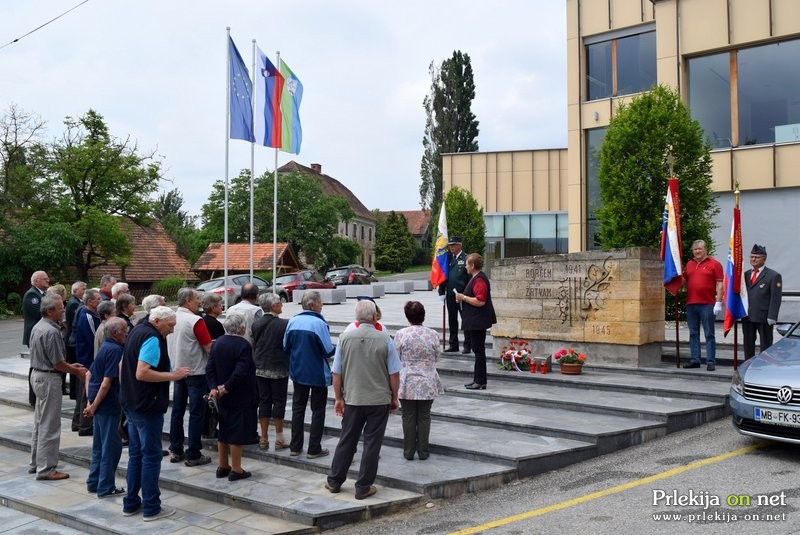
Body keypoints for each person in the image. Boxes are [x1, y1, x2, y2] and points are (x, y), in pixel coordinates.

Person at [120, 306, 190, 521]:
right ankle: (151, 507)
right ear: (157, 321)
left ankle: (131, 503)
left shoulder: (137, 330)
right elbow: (142, 372)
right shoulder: (151, 337)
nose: (172, 330)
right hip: (147, 407)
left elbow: (123, 364)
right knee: (151, 456)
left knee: (136, 455)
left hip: (132, 403)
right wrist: (173, 375)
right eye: (170, 325)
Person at [325, 299, 401, 500]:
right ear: (375, 316)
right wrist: (395, 397)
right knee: (372, 443)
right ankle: (363, 486)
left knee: (347, 439)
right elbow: (394, 374)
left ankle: (334, 481)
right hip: (378, 399)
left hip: (353, 398)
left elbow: (336, 373)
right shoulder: (385, 339)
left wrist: (338, 397)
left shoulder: (344, 338)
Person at [28, 293, 87, 480]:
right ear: (49, 311)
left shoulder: (40, 326)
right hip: (48, 378)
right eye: (60, 307)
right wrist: (75, 370)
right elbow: (58, 364)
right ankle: (46, 469)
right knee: (49, 425)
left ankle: (37, 463)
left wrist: (70, 366)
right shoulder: (50, 331)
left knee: (40, 422)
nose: (64, 309)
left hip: (39, 375)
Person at [206, 314, 258, 481]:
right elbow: (241, 371)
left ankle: (222, 466)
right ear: (242, 328)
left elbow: (210, 367)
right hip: (239, 394)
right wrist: (226, 388)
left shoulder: (218, 342)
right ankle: (236, 469)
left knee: (224, 429)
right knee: (237, 431)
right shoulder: (243, 345)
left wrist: (215, 388)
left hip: (222, 395)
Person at [283, 290, 335, 458]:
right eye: (320, 302)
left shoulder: (293, 321)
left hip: (298, 372)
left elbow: (285, 346)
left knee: (298, 408)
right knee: (318, 410)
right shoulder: (319, 324)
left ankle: (295, 447)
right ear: (313, 305)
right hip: (317, 374)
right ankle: (314, 449)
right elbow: (328, 351)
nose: (322, 305)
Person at [167, 288, 213, 467]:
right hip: (195, 370)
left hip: (177, 369)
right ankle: (193, 452)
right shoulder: (195, 320)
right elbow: (208, 347)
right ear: (187, 301)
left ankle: (176, 449)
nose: (199, 302)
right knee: (196, 412)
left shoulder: (171, 317)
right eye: (196, 299)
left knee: (177, 410)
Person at [394, 301, 444, 460]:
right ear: (423, 315)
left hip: (407, 379)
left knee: (408, 415)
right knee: (424, 415)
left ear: (407, 316)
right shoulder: (433, 334)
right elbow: (437, 356)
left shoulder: (401, 334)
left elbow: (396, 358)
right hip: (427, 379)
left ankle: (408, 451)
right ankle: (423, 451)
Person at [84, 317, 127, 498]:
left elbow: (88, 375)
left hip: (98, 403)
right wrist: (93, 405)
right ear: (116, 333)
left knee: (99, 446)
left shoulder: (104, 347)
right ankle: (106, 487)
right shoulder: (116, 350)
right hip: (107, 405)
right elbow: (106, 383)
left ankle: (94, 483)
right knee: (111, 447)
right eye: (125, 330)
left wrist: (90, 402)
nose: (127, 333)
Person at [252, 292, 290, 451]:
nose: (282, 305)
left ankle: (264, 438)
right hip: (279, 367)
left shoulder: (256, 323)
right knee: (279, 402)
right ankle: (279, 439)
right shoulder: (284, 324)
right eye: (280, 303)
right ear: (273, 306)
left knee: (264, 402)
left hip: (260, 367)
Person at [455, 253, 497, 390]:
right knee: (477, 350)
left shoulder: (479, 279)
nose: (465, 266)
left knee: (479, 351)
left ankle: (480, 381)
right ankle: (477, 380)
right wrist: (462, 298)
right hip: (475, 321)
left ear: (473, 265)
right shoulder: (475, 277)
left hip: (478, 321)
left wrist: (463, 297)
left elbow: (480, 301)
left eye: (467, 264)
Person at [683, 240, 724, 371]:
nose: (697, 251)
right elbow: (684, 282)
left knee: (709, 333)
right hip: (691, 304)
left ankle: (710, 361)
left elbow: (720, 284)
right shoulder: (689, 264)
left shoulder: (715, 264)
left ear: (705, 249)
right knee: (693, 333)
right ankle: (695, 360)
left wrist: (718, 302)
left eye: (700, 249)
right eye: (695, 250)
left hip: (707, 304)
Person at [744, 244, 783, 359]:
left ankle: (764, 368)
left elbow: (776, 298)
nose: (753, 259)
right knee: (748, 345)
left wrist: (772, 316)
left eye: (757, 257)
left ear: (764, 259)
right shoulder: (746, 274)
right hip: (748, 316)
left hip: (764, 316)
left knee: (765, 345)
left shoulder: (773, 275)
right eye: (752, 256)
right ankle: (748, 366)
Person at [73, 288, 102, 435]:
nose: (100, 300)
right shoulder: (88, 316)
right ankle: (84, 426)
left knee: (83, 391)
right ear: (90, 302)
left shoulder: (90, 314)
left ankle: (77, 422)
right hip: (88, 358)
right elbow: (94, 338)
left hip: (87, 357)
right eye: (98, 299)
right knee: (87, 392)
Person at [437, 237, 471, 354]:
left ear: (459, 245)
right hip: (450, 295)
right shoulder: (448, 259)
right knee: (452, 320)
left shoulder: (466, 258)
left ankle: (467, 345)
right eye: (450, 245)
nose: (451, 247)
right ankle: (453, 344)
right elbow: (443, 276)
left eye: (453, 245)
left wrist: (466, 294)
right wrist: (441, 292)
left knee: (465, 320)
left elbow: (469, 279)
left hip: (462, 295)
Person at [23, 270, 50, 406]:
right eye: (44, 279)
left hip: (40, 334)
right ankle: (33, 397)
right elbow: (40, 313)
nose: (48, 280)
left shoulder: (42, 294)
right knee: (35, 365)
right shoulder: (32, 295)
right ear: (36, 281)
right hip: (35, 335)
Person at [65, 281, 87, 400]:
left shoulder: (77, 302)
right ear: (75, 291)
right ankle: (74, 392)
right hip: (72, 340)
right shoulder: (74, 303)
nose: (85, 291)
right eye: (83, 289)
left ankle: (74, 392)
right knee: (74, 368)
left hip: (72, 339)